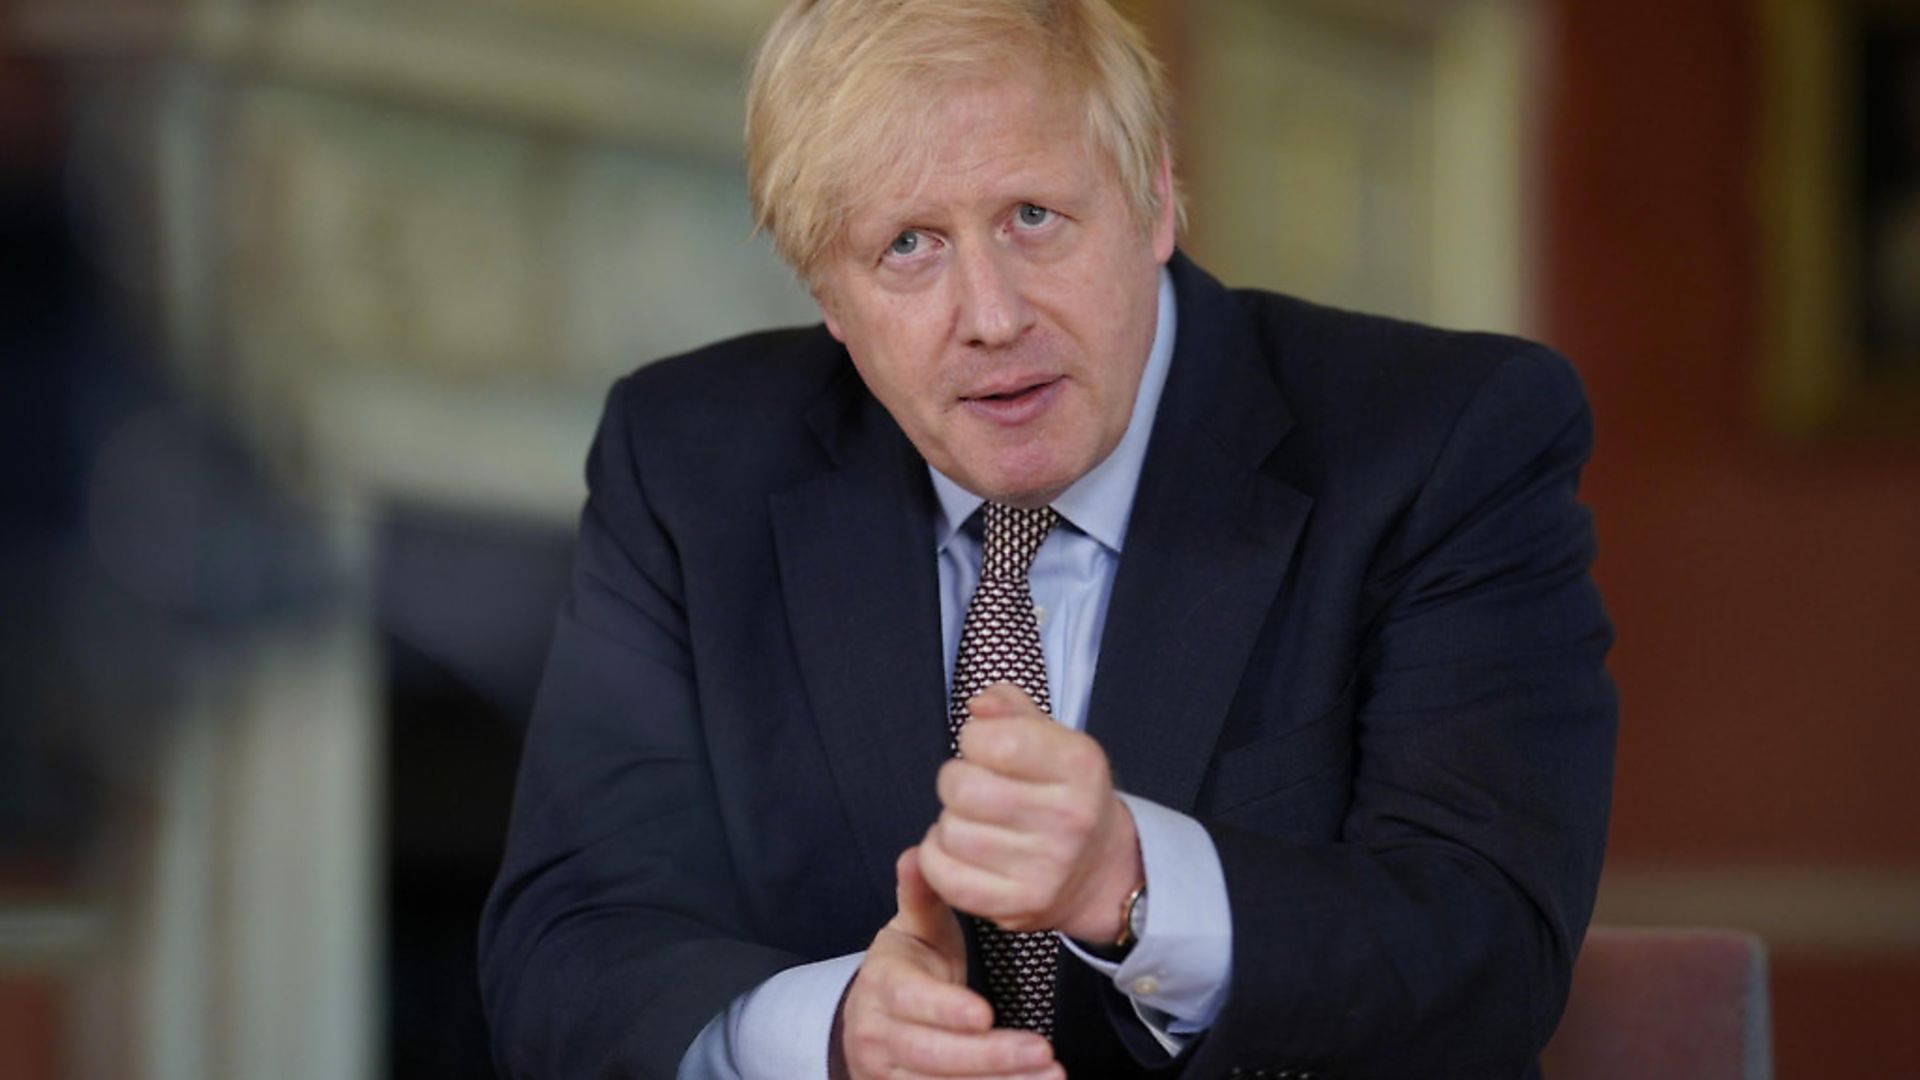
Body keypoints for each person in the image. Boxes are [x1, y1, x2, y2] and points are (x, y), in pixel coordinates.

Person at [477, 1, 1616, 1077]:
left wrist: (1131, 882)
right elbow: (570, 934)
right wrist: (833, 1034)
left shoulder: (1444, 441)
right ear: (828, 296)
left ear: (1157, 198)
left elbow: (1489, 946)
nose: (992, 316)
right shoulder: (687, 466)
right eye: (910, 246)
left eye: (1033, 218)